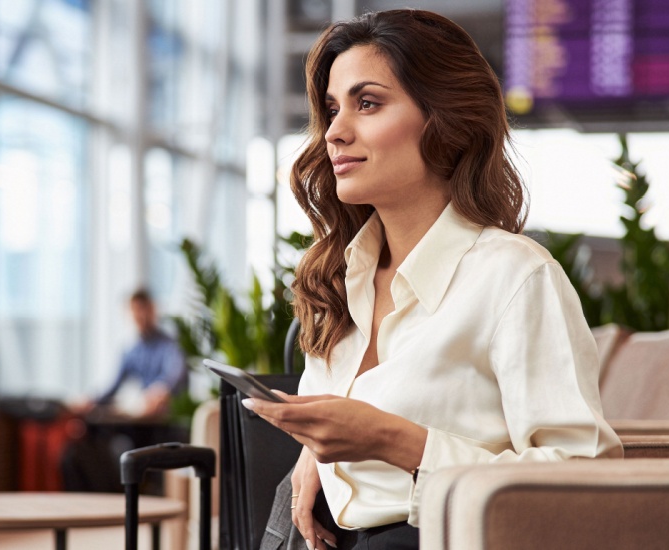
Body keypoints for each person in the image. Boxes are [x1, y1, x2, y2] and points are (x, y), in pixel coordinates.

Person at [243, 10, 623, 550]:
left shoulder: (513, 277)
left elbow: (583, 479)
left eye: (367, 103)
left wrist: (393, 440)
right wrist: (318, 455)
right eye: (331, 109)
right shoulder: (339, 277)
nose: (334, 132)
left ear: (442, 118)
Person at [78, 288, 187, 418]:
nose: (139, 315)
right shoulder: (131, 351)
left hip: (169, 415)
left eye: (143, 309)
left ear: (153, 309)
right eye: (134, 310)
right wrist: (91, 399)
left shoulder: (170, 346)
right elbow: (113, 385)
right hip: (145, 416)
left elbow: (175, 375)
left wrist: (160, 390)